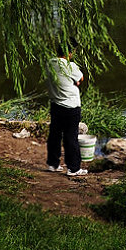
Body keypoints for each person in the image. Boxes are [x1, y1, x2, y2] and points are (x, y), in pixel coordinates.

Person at [45, 44, 86, 176]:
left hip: (56, 105)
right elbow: (81, 79)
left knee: (55, 134)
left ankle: (53, 164)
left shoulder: (49, 63)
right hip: (71, 106)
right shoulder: (70, 66)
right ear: (70, 52)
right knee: (71, 136)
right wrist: (74, 82)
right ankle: (73, 168)